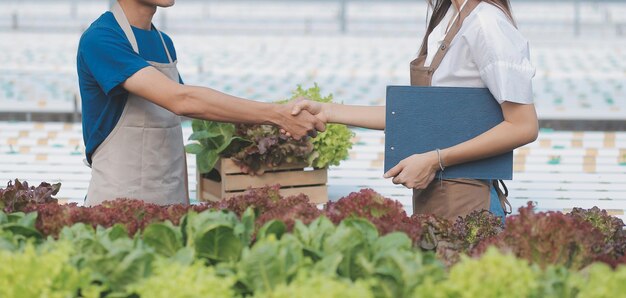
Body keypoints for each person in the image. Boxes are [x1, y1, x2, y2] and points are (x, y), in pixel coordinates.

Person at [291, 0, 538, 221]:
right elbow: (417, 115)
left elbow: (523, 126)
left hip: (470, 198)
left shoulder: (487, 24)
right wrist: (327, 111)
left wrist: (435, 160)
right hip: (439, 194)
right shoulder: (450, 16)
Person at [77, 0, 324, 207]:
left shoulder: (164, 43)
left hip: (171, 199)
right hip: (118, 204)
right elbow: (181, 99)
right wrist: (277, 114)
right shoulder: (101, 39)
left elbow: (194, 106)